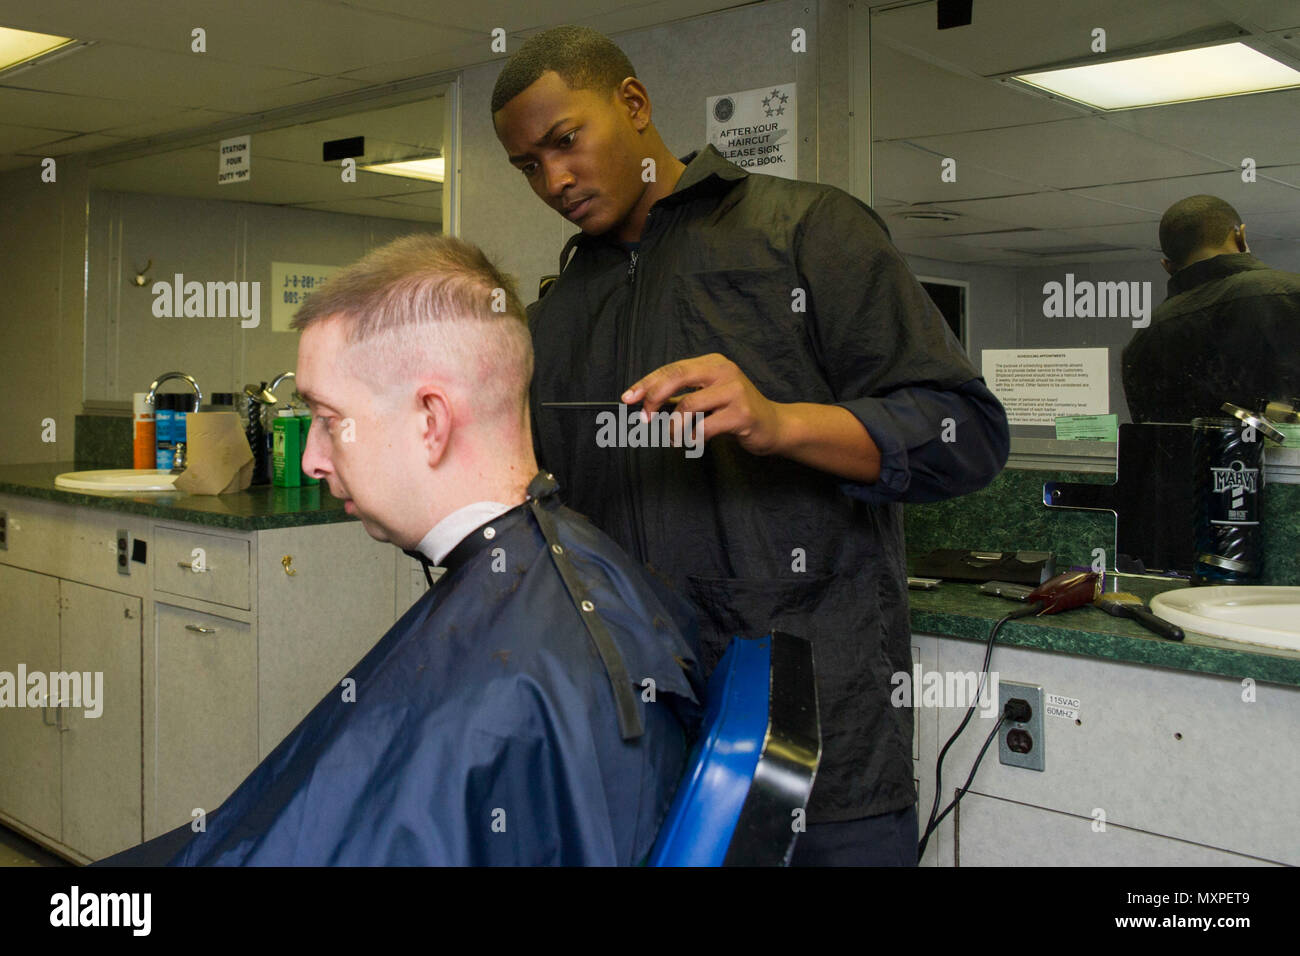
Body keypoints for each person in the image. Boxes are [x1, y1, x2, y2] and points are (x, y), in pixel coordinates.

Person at [491, 26, 1010, 866]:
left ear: (632, 104)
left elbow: (966, 434)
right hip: (636, 752)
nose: (553, 180)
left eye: (565, 141)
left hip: (816, 752)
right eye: (527, 165)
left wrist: (779, 421)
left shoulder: (808, 230)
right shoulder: (558, 311)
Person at [94, 234, 702, 866]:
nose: (312, 459)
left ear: (430, 421)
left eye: (329, 420)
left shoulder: (511, 681)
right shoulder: (576, 575)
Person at [1123, 194, 1300, 423]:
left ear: (1167, 266)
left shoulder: (1145, 339)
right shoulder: (1292, 292)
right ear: (1240, 236)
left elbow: (1151, 439)